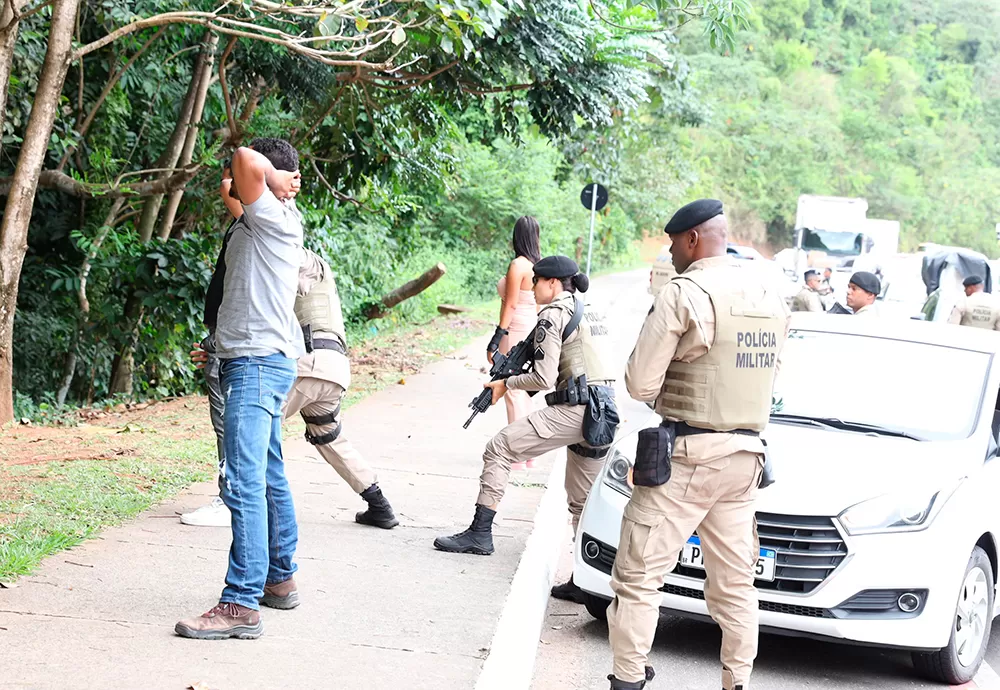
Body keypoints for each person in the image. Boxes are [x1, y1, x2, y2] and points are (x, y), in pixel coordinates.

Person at [606, 199, 790, 690]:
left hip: (687, 459)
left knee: (639, 577)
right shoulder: (769, 293)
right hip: (746, 460)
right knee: (735, 587)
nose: (672, 254)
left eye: (673, 244)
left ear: (692, 240)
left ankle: (627, 680)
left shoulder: (684, 292)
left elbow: (640, 385)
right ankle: (738, 682)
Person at [175, 138, 304, 641]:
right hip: (253, 359)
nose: (231, 184)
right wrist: (221, 344)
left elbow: (246, 159)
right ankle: (279, 577)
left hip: (255, 366)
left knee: (243, 479)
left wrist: (268, 173)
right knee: (268, 473)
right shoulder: (257, 223)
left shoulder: (271, 214)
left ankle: (240, 603)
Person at [434, 256, 618, 601]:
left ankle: (479, 533)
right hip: (603, 412)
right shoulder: (587, 307)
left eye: (536, 282)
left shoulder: (551, 315)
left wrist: (506, 384)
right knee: (581, 501)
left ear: (552, 283)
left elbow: (543, 378)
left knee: (499, 448)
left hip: (577, 409)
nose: (532, 289)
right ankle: (586, 581)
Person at [487, 216, 542, 470]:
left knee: (513, 390)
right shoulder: (538, 265)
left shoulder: (518, 265)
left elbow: (510, 304)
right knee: (526, 390)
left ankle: (516, 455)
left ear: (516, 237)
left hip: (516, 329)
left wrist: (496, 338)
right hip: (532, 328)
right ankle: (529, 453)